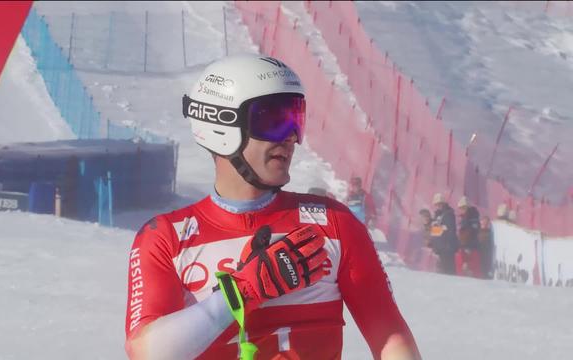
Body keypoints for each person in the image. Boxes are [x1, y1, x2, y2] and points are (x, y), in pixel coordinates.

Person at [124, 55, 420, 360]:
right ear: (221, 124)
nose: (291, 137)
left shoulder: (334, 224)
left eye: (296, 120)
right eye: (274, 121)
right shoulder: (165, 237)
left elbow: (390, 337)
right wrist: (241, 292)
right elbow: (146, 353)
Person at [429, 192, 458, 275]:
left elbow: (448, 229)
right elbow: (435, 230)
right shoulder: (438, 215)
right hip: (439, 247)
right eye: (436, 204)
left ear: (443, 203)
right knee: (442, 272)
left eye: (439, 203)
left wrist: (436, 229)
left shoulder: (448, 214)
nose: (437, 206)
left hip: (447, 247)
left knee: (448, 271)